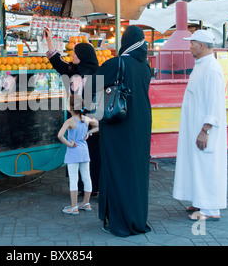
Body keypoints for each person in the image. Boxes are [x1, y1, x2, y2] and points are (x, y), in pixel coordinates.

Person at [91, 25, 152, 237]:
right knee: (136, 172)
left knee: (116, 169)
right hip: (141, 124)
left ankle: (120, 221)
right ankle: (137, 218)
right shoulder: (146, 66)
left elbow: (91, 85)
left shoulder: (118, 63)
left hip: (119, 125)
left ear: (125, 41)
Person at [172, 29, 227, 221]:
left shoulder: (211, 68)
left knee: (207, 166)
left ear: (201, 45)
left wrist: (206, 130)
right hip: (196, 126)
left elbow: (214, 102)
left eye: (192, 43)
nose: (189, 47)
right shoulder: (201, 65)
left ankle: (210, 210)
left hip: (204, 128)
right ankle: (199, 200)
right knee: (197, 164)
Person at [44, 29, 101, 196]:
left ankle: (94, 187)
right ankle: (83, 188)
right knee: (77, 152)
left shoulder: (99, 73)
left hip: (92, 121)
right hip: (76, 120)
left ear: (83, 55)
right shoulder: (72, 71)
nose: (72, 56)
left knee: (93, 154)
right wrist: (49, 41)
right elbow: (57, 61)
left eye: (75, 53)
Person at [57, 94, 99, 215]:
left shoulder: (69, 121)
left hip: (73, 154)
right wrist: (89, 132)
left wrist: (69, 144)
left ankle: (74, 207)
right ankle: (86, 203)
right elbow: (99, 125)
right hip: (84, 153)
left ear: (70, 108)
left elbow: (60, 135)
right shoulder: (86, 119)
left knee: (74, 179)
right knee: (87, 177)